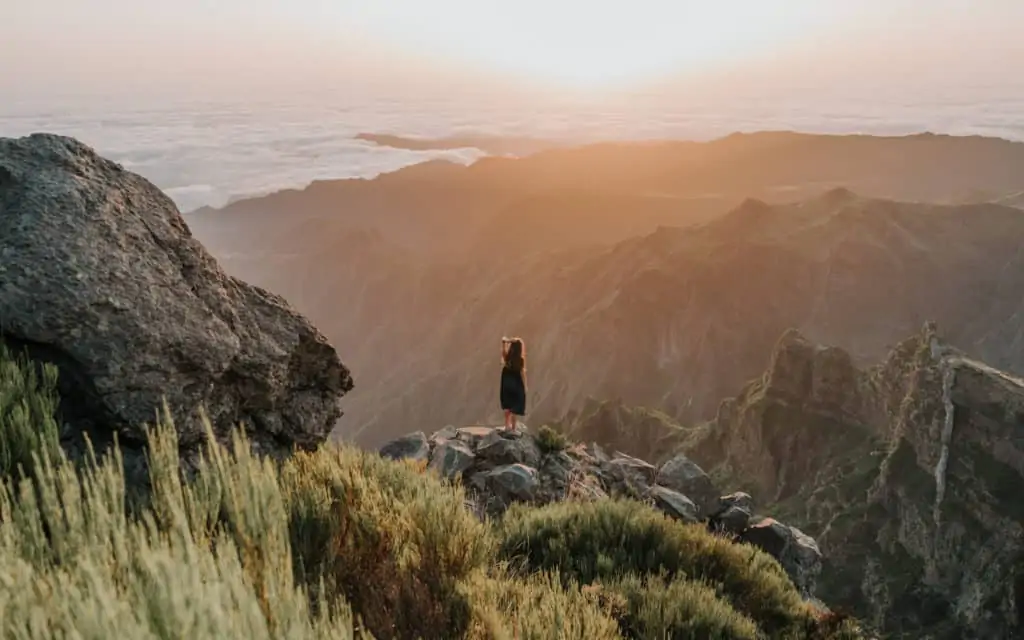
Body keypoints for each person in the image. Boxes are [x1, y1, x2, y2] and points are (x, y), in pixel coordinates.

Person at [500, 337, 528, 431]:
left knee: (507, 405)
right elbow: (522, 373)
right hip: (516, 384)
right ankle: (513, 427)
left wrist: (504, 343)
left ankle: (507, 425)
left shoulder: (508, 358)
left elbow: (503, 354)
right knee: (514, 406)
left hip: (506, 383)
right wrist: (525, 386)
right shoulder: (520, 360)